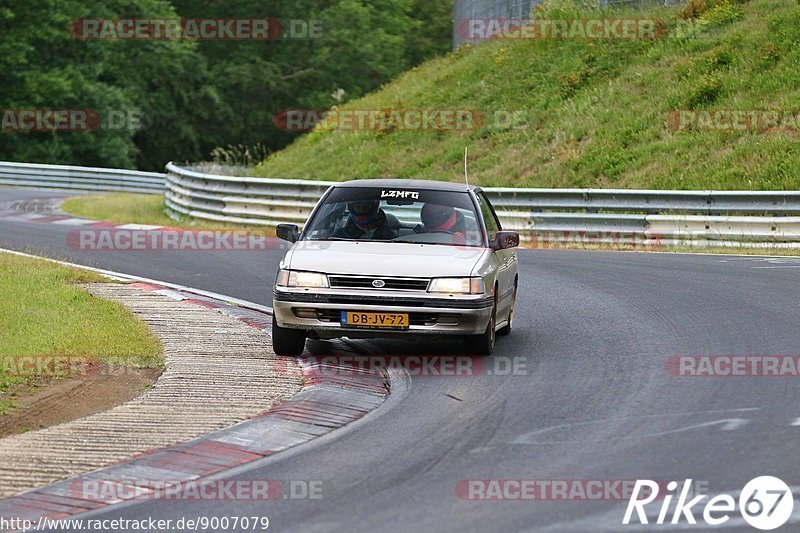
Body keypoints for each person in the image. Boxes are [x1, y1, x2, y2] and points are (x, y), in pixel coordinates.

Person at [332, 200, 398, 240]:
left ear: (373, 207)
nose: (361, 210)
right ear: (352, 208)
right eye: (357, 207)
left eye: (365, 207)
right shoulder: (340, 235)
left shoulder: (389, 238)